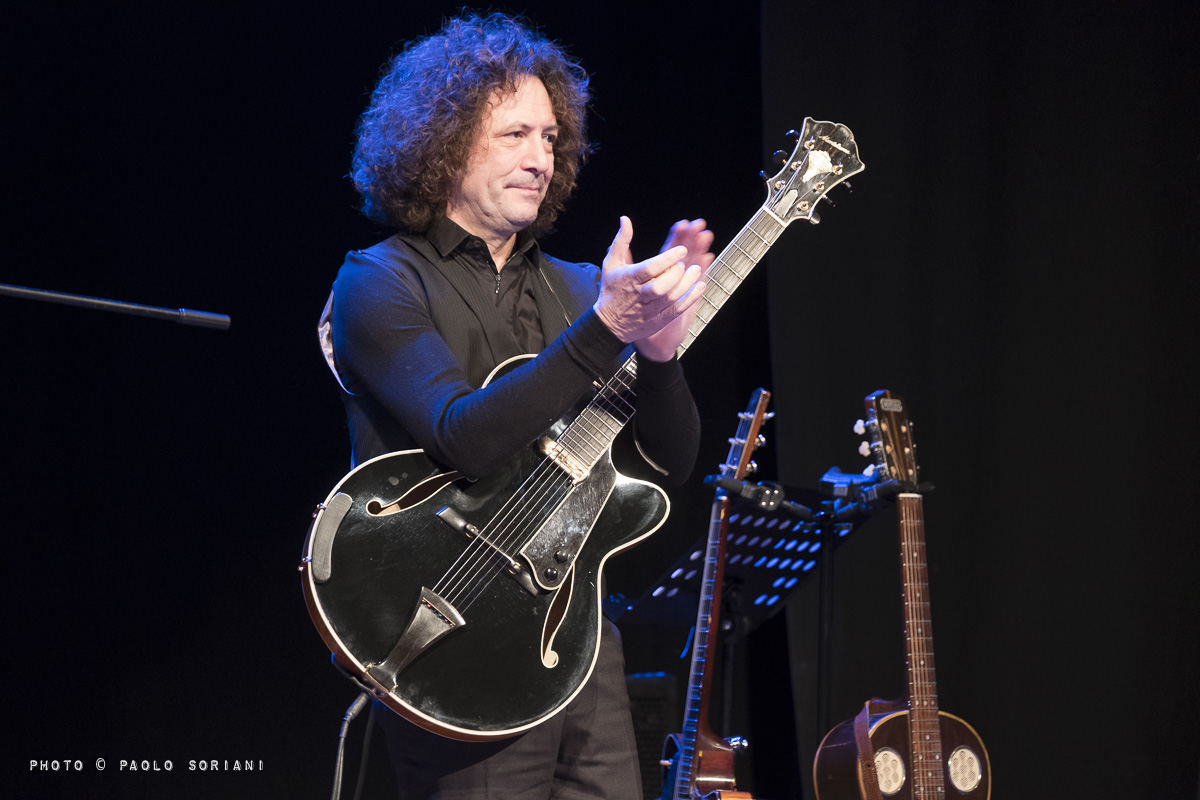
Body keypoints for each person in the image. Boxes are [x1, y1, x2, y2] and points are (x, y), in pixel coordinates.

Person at [319, 12, 714, 799]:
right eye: (515, 136)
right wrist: (607, 329)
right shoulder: (380, 280)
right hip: (453, 636)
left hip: (577, 634)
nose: (541, 158)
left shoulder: (576, 287)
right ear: (443, 143)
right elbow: (465, 436)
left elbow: (670, 462)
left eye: (550, 139)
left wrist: (660, 355)